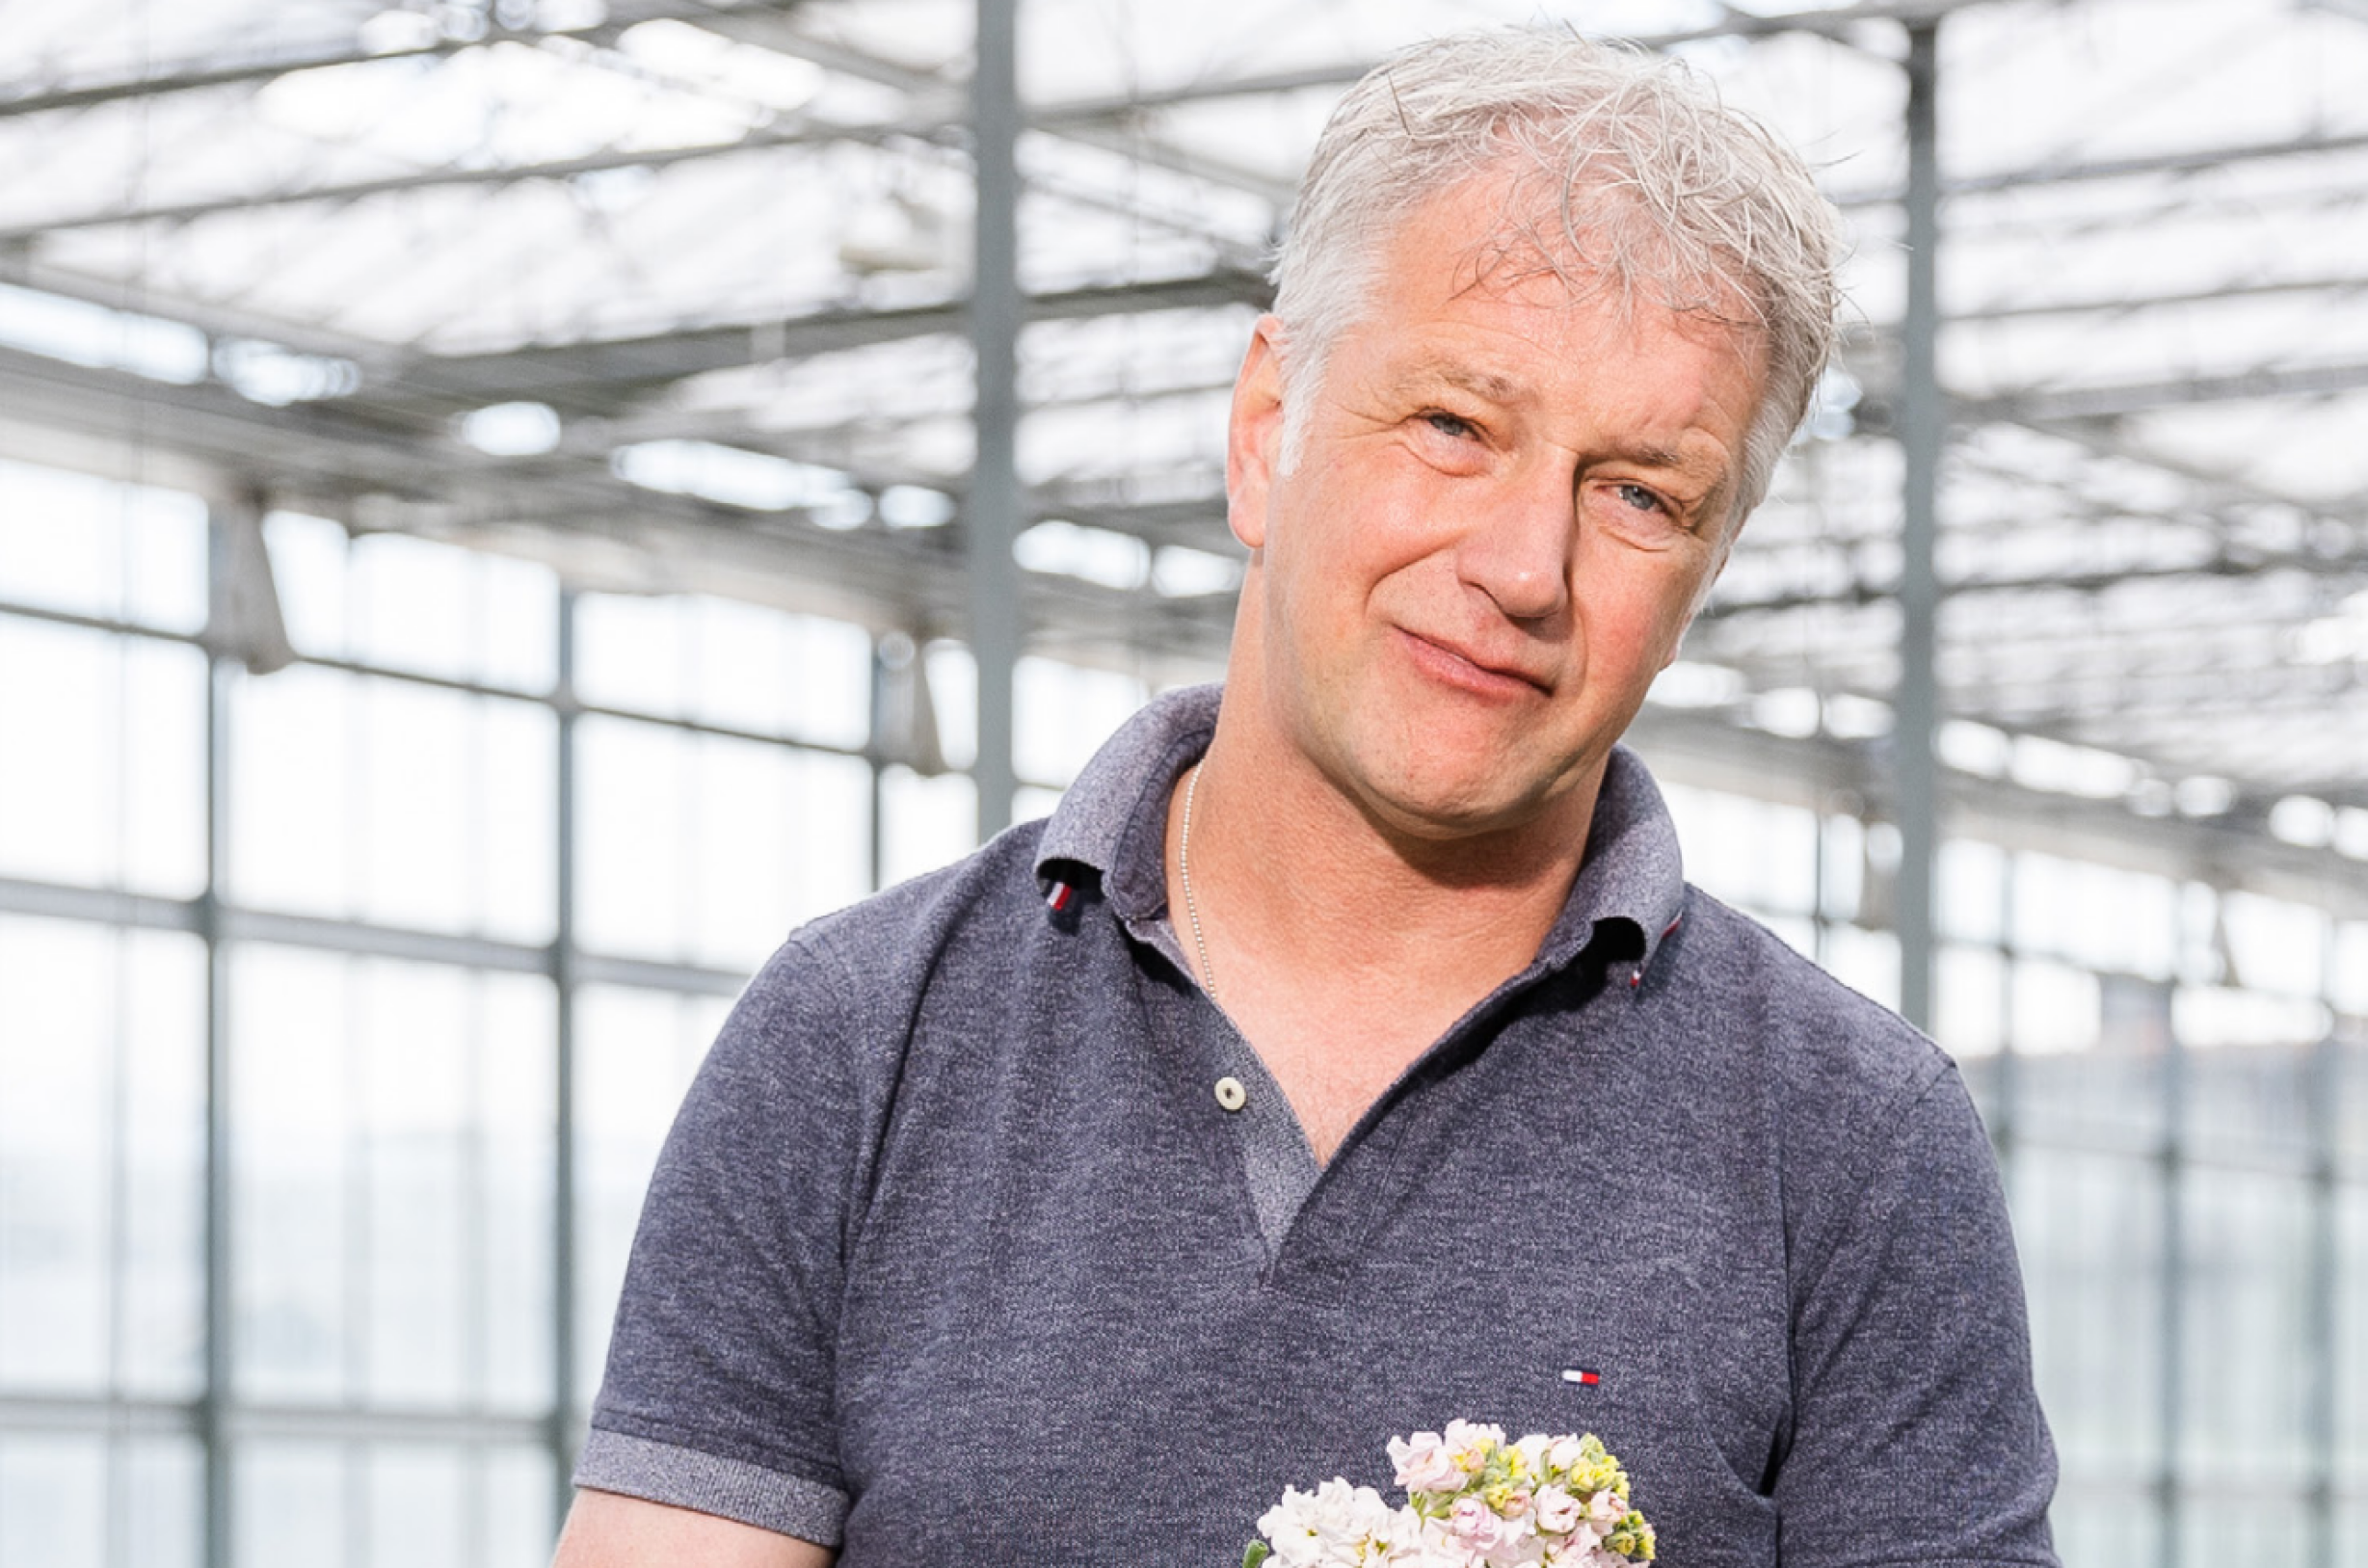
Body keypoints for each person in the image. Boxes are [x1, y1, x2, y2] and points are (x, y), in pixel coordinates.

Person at [554, 28, 2059, 1568]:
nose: (1523, 568)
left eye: (1639, 494)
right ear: (1266, 428)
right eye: (1455, 426)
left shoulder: (1852, 1142)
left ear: (1706, 571)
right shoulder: (862, 1036)